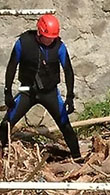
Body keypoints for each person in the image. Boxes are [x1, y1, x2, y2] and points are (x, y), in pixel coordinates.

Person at [1, 14, 80, 159]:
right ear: (39, 32)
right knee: (6, 123)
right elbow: (12, 66)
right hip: (27, 92)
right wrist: (7, 92)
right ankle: (2, 153)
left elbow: (68, 71)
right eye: (47, 37)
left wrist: (69, 97)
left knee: (65, 125)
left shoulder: (59, 46)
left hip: (50, 93)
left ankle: (77, 157)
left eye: (53, 38)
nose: (50, 41)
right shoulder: (23, 43)